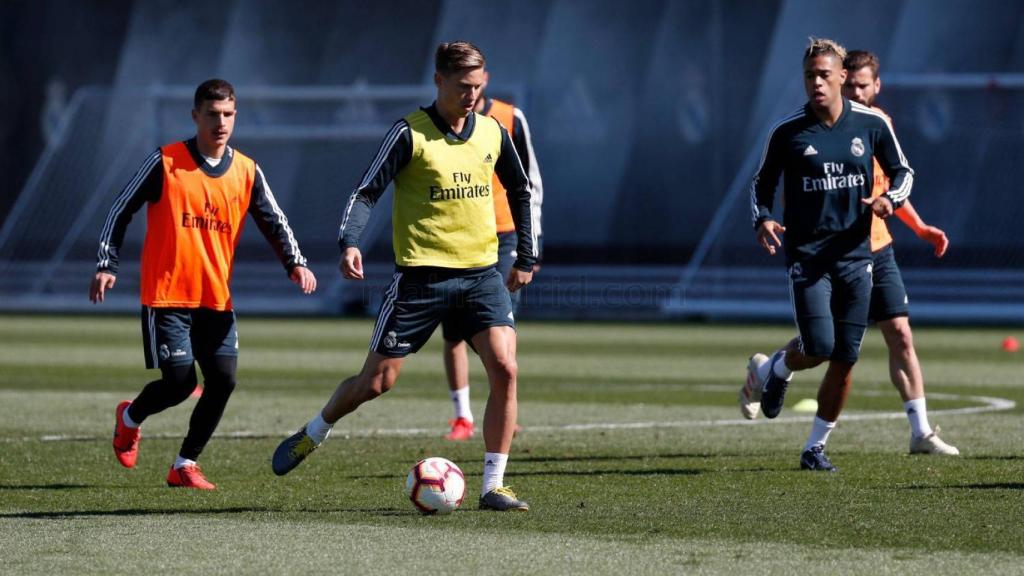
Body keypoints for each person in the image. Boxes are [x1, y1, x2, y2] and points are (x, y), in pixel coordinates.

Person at [271, 41, 537, 511]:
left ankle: (493, 484)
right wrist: (349, 241)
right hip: (421, 279)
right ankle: (315, 431)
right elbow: (366, 192)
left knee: (506, 367)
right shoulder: (408, 134)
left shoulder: (494, 132)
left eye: (477, 86)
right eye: (461, 86)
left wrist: (526, 256)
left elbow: (519, 188)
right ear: (438, 81)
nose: (471, 95)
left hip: (480, 275)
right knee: (376, 382)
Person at [91, 79, 317, 490]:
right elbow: (120, 208)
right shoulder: (167, 162)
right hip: (167, 295)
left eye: (228, 114)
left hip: (215, 297)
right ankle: (129, 418)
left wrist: (295, 264)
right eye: (212, 114)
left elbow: (274, 220)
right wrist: (108, 263)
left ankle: (184, 464)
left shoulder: (247, 170)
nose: (221, 122)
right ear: (195, 116)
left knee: (224, 380)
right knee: (180, 383)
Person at [740, 50, 958, 456]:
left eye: (862, 84)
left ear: (877, 86)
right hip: (821, 250)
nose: (855, 90)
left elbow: (893, 183)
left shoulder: (877, 125)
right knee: (822, 341)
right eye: (850, 83)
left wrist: (918, 224)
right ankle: (773, 369)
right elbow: (764, 184)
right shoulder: (796, 130)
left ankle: (918, 432)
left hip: (874, 247)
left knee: (895, 335)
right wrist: (764, 219)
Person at [442, 72, 544, 441]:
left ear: (484, 78)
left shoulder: (510, 118)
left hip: (504, 236)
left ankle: (502, 406)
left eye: (475, 81)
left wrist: (533, 242)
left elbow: (530, 182)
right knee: (453, 332)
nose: (469, 90)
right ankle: (462, 417)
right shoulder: (442, 124)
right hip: (459, 237)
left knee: (502, 325)